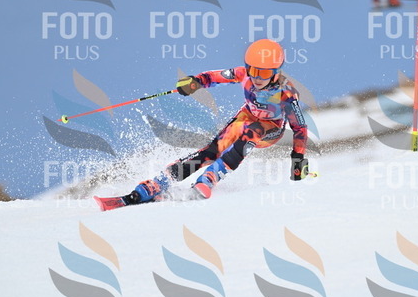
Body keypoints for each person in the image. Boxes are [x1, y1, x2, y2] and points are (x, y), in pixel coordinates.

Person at [119, 39, 309, 205]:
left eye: (264, 73)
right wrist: (195, 82)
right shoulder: (243, 74)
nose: (257, 78)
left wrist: (298, 159)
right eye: (253, 70)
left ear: (276, 72)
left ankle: (209, 178)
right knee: (213, 150)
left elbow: (299, 127)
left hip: (271, 128)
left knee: (253, 131)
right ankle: (161, 181)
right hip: (247, 116)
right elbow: (213, 77)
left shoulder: (287, 93)